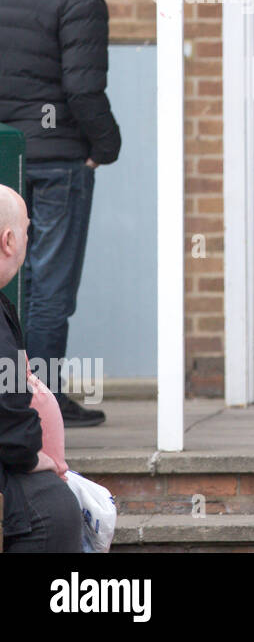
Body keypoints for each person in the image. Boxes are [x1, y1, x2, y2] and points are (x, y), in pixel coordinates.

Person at [0, 0, 121, 428]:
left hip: (9, 157)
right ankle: (42, 397)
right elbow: (83, 88)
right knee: (51, 283)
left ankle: (9, 396)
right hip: (58, 161)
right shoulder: (82, 1)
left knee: (11, 276)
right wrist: (105, 146)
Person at [0, 186, 82, 552]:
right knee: (52, 508)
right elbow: (6, 404)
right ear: (9, 239)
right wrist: (29, 455)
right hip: (24, 503)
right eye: (28, 232)